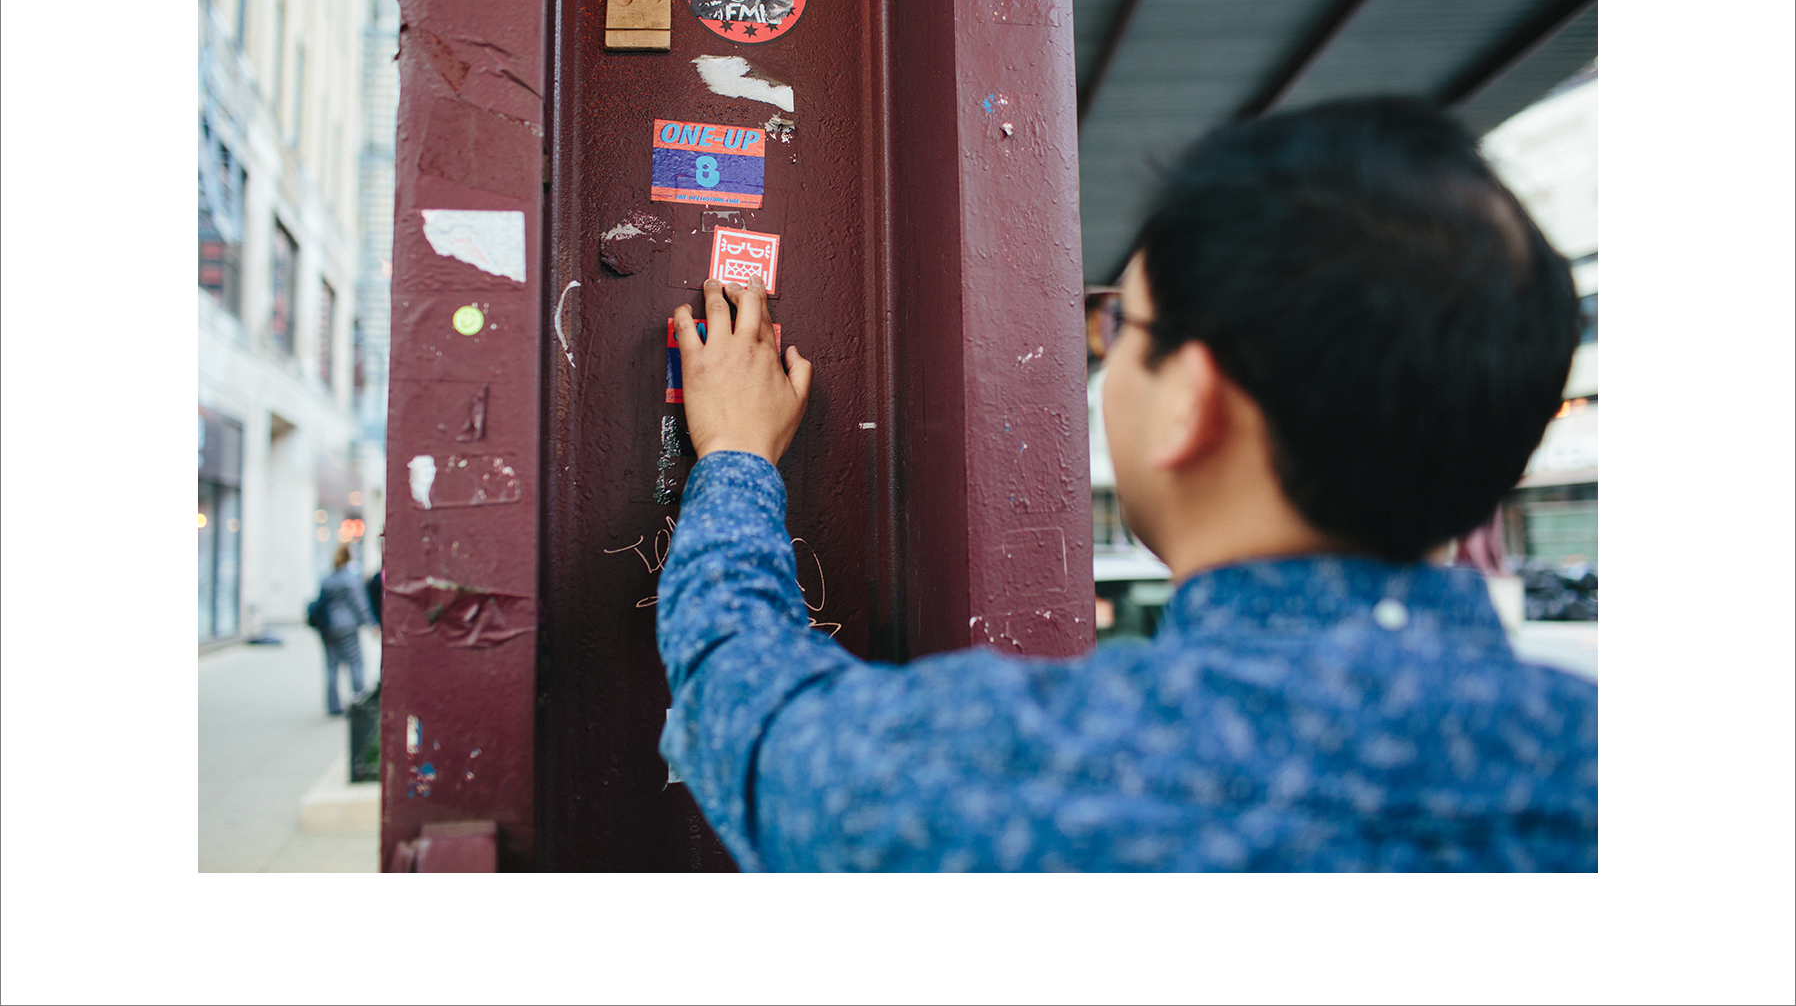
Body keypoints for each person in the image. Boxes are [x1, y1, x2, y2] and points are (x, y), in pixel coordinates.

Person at [657, 97, 1596, 872]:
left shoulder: (1028, 768)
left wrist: (737, 453)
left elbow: (746, 701)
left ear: (1192, 400)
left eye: (1124, 332)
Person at [318, 544, 374, 716]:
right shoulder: (351, 579)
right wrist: (371, 622)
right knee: (355, 663)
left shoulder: (327, 579)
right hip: (347, 626)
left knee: (331, 667)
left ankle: (333, 705)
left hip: (327, 627)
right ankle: (360, 703)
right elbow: (360, 604)